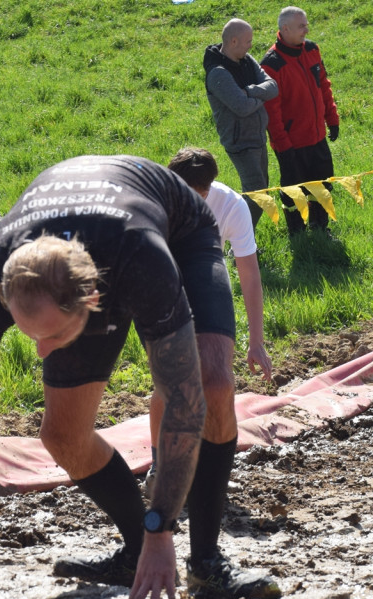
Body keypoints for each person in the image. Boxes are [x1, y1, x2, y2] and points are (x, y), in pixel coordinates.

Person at [0, 155, 280, 599]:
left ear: (92, 301)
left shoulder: (141, 259)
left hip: (176, 228)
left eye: (50, 336)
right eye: (31, 335)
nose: (42, 352)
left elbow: (183, 401)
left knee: (210, 386)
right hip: (79, 240)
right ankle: (134, 555)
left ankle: (206, 565)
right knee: (63, 434)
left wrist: (161, 528)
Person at [141, 148, 273, 488]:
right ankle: (161, 466)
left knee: (218, 380)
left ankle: (214, 469)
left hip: (208, 281)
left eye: (197, 196)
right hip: (164, 279)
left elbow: (249, 273)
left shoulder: (231, 206)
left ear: (210, 187)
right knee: (175, 379)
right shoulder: (152, 203)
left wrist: (256, 341)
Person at [261, 6, 340, 236]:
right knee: (293, 190)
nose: (307, 29)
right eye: (301, 26)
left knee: (322, 184)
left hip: (317, 137)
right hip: (291, 143)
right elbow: (271, 113)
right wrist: (284, 147)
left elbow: (323, 85)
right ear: (285, 29)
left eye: (306, 24)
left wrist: (332, 119)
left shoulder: (312, 50)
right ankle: (296, 231)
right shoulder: (271, 65)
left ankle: (320, 226)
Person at [204, 18, 278, 229]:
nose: (251, 45)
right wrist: (260, 95)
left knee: (260, 192)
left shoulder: (247, 60)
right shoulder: (218, 73)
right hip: (240, 143)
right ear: (233, 41)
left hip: (257, 137)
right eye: (248, 41)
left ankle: (244, 240)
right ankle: (238, 240)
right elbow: (241, 107)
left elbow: (273, 86)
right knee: (257, 195)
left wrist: (250, 92)